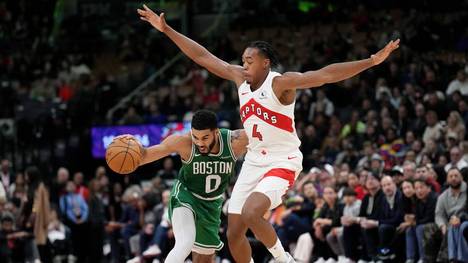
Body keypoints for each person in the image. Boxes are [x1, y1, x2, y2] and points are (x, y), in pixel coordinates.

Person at [137, 5, 399, 262]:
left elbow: (325, 74)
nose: (244, 65)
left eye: (249, 61)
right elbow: (203, 57)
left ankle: (284, 259)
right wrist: (167, 29)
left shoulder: (281, 83)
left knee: (253, 213)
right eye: (243, 61)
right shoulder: (240, 79)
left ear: (265, 63)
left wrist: (372, 61)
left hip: (282, 159)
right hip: (254, 159)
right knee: (234, 233)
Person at [119, 110, 248, 262]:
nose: (200, 143)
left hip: (212, 205)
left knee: (205, 258)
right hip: (186, 195)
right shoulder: (183, 142)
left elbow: (270, 138)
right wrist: (134, 154)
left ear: (216, 132)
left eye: (205, 137)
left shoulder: (235, 141)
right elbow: (147, 154)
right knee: (185, 243)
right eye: (196, 137)